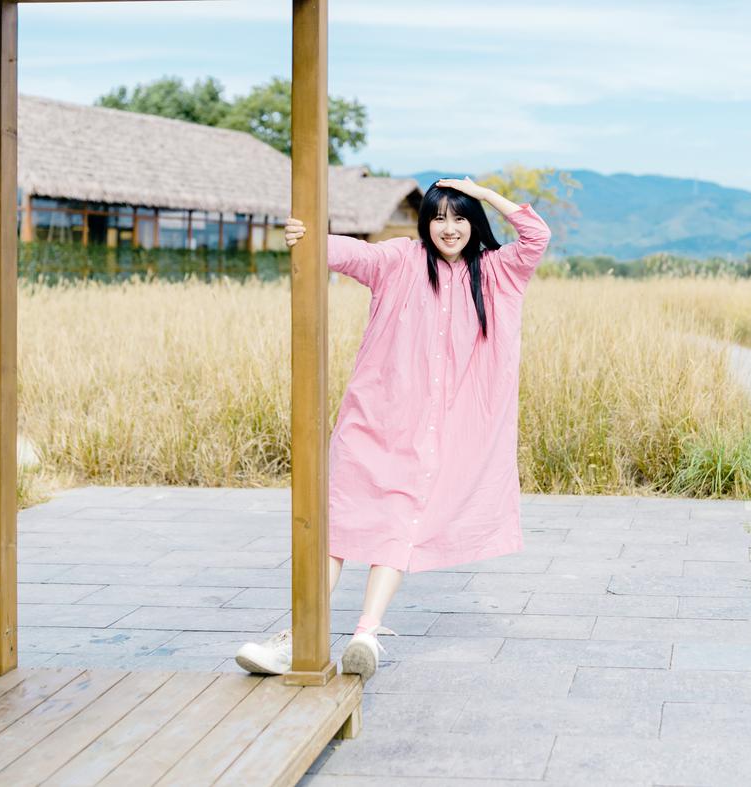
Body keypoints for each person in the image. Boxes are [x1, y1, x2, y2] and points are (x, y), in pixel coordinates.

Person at [235, 177, 551, 680]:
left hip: (434, 437)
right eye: (439, 218)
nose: (450, 228)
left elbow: (536, 235)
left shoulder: (497, 272)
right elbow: (349, 255)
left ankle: (366, 633)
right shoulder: (401, 259)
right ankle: (295, 639)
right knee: (335, 527)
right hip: (373, 421)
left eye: (460, 217)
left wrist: (484, 193)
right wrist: (308, 237)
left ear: (475, 222)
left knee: (397, 527)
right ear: (425, 223)